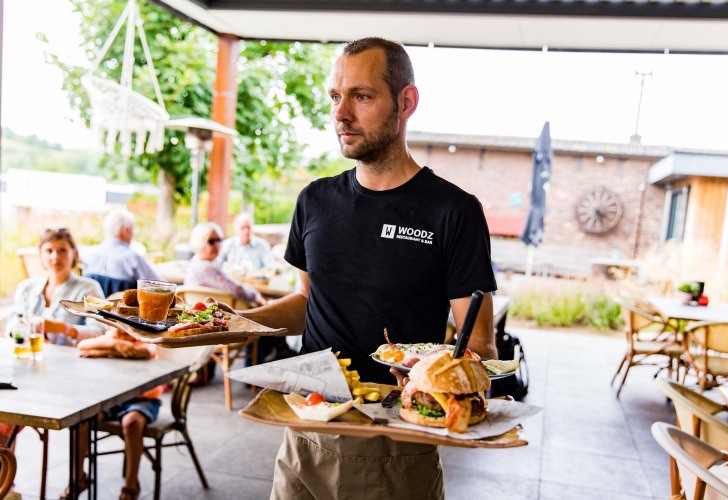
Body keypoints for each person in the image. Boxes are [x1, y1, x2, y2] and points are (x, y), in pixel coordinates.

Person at [211, 37, 497, 499]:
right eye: (335, 97)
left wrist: (430, 370)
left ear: (406, 103)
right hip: (305, 431)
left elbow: (478, 343)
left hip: (396, 446)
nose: (341, 114)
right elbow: (306, 304)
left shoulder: (453, 211)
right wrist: (230, 323)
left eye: (361, 97)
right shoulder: (314, 201)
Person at [66, 327, 161, 500]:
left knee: (131, 423)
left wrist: (100, 352)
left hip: (143, 399)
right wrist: (115, 345)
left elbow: (143, 352)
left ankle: (130, 487)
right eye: (119, 327)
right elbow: (82, 345)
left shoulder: (145, 337)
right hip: (111, 398)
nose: (123, 331)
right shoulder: (111, 338)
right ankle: (78, 478)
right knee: (81, 419)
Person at [6, 228, 106, 346]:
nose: (55, 257)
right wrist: (20, 326)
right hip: (30, 354)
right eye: (49, 251)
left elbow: (100, 332)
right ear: (41, 254)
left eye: (62, 250)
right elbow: (9, 329)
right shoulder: (26, 287)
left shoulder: (90, 288)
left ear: (73, 253)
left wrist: (60, 328)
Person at [184, 222, 265, 306]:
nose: (217, 245)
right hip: (224, 312)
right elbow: (236, 289)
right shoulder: (206, 267)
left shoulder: (194, 263)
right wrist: (255, 295)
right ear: (199, 242)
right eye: (211, 241)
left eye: (219, 240)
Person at [80, 210, 161, 292]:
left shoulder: (88, 253)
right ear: (124, 231)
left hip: (92, 303)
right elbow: (160, 286)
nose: (133, 235)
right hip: (119, 303)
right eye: (133, 232)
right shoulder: (132, 258)